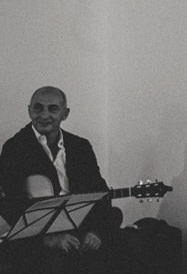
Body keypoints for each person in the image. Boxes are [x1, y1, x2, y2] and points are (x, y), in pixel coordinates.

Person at [0, 85, 116, 254]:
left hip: (81, 226)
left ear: (65, 113)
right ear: (29, 110)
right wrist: (47, 239)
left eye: (53, 108)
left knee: (126, 241)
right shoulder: (15, 148)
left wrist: (96, 232)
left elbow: (99, 191)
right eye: (38, 108)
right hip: (38, 233)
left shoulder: (80, 146)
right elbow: (9, 204)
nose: (44, 115)